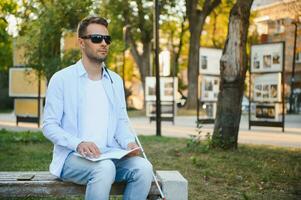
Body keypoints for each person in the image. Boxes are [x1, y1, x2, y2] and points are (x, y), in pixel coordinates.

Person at [42, 16, 153, 200]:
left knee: (144, 168)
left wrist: (128, 143)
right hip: (72, 157)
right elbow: (49, 125)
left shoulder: (115, 80)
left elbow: (120, 122)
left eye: (106, 39)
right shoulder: (62, 79)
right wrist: (78, 143)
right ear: (81, 43)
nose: (103, 43)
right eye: (96, 38)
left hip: (108, 154)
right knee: (105, 168)